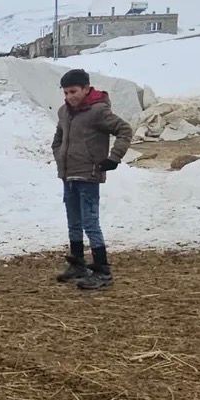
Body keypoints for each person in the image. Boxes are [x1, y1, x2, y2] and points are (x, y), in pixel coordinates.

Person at [51, 68, 133, 290]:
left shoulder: (98, 112)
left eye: (73, 91)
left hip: (88, 175)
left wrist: (113, 158)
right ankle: (77, 264)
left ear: (86, 89)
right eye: (66, 93)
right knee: (73, 221)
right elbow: (58, 139)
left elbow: (124, 130)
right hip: (68, 175)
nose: (69, 97)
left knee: (90, 223)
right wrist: (59, 156)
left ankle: (102, 270)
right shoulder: (64, 112)